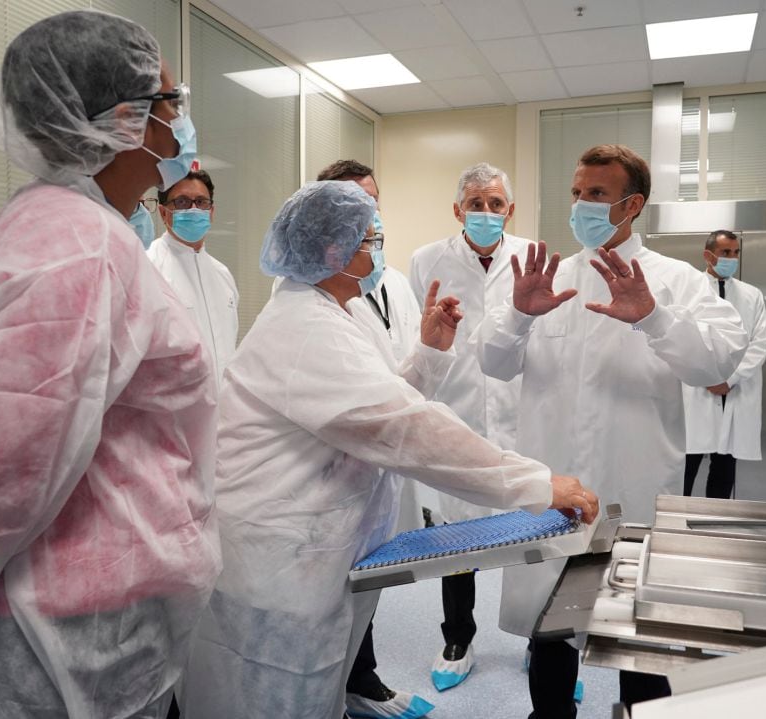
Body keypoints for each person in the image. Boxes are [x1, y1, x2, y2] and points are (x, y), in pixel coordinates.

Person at [0, 11, 220, 718]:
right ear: (123, 119)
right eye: (171, 100)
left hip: (97, 612)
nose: (181, 117)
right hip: (71, 637)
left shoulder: (89, 230)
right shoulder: (71, 245)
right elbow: (0, 465)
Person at [180, 180, 599, 719]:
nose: (376, 250)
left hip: (316, 552)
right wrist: (537, 485)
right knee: (274, 699)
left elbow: (376, 408)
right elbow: (405, 429)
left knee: (314, 693)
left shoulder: (337, 313)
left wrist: (427, 352)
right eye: (368, 239)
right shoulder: (305, 328)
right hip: (276, 562)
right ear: (334, 252)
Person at [477, 144, 747, 717]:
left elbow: (716, 364)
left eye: (596, 194)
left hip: (635, 485)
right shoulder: (546, 280)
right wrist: (521, 315)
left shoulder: (677, 281)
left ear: (632, 205)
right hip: (554, 490)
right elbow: (493, 364)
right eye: (576, 193)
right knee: (548, 635)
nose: (581, 205)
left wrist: (654, 317)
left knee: (638, 645)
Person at [314, 160, 432, 719]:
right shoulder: (315, 295)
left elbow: (397, 381)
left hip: (381, 459)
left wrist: (433, 346)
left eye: (375, 201)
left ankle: (362, 680)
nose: (371, 214)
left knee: (369, 578)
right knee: (338, 590)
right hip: (338, 470)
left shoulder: (391, 284)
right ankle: (347, 687)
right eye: (356, 201)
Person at [409, 162, 529, 692]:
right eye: (475, 204)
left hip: (521, 414)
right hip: (455, 414)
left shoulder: (531, 257)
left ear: (510, 211)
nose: (485, 213)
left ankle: (540, 641)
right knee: (457, 537)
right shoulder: (425, 260)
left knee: (535, 534)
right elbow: (420, 338)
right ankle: (458, 636)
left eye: (495, 204)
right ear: (457, 210)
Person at [683, 230, 766, 499]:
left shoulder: (751, 295)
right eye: (726, 253)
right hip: (697, 391)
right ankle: (672, 522)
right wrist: (707, 376)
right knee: (686, 466)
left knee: (724, 468)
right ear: (708, 255)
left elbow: (761, 340)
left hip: (733, 390)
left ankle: (714, 525)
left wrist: (730, 379)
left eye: (736, 253)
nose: (732, 258)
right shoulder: (688, 291)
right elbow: (680, 338)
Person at [147, 168, 239, 385]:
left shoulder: (222, 275)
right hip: (171, 412)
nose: (194, 209)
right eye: (182, 202)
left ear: (212, 211)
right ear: (163, 213)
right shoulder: (148, 267)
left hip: (222, 411)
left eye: (201, 202)